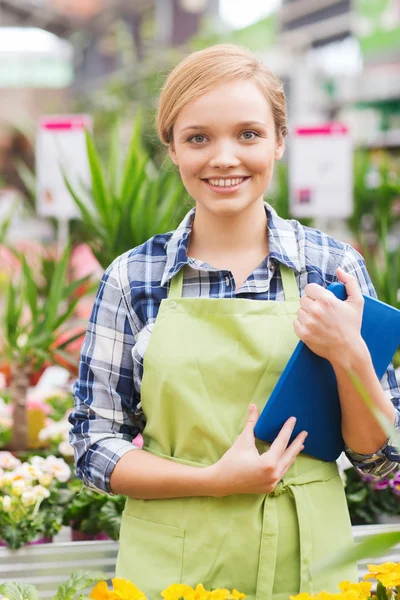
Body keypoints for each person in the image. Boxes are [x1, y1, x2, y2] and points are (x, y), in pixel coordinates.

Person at [69, 44, 400, 600]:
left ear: (279, 141)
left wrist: (352, 356)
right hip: (174, 562)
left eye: (248, 134)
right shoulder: (133, 279)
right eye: (198, 138)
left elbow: (376, 453)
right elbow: (94, 443)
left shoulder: (333, 268)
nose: (224, 158)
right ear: (172, 148)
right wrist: (213, 480)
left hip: (311, 562)